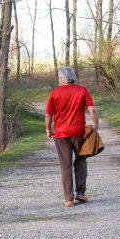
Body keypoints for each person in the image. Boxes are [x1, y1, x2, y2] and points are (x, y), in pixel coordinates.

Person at [45, 67, 99, 208]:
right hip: (79, 133)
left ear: (61, 78)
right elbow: (92, 109)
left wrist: (48, 129)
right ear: (73, 77)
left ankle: (69, 200)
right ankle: (80, 193)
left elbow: (48, 115)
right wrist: (96, 125)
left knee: (66, 166)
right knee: (81, 162)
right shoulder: (82, 90)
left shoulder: (55, 92)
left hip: (61, 134)